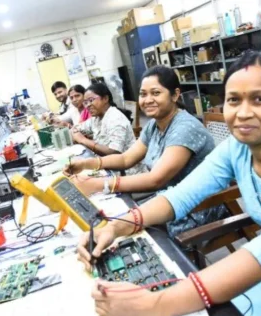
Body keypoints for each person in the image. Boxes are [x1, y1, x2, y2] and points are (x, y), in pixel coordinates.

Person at [76, 50, 261, 316]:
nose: (243, 112)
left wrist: (155, 304)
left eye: (259, 99)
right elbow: (181, 195)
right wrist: (116, 226)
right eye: (233, 100)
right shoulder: (237, 149)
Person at [64, 67, 222, 236]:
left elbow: (156, 180)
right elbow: (126, 159)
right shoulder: (155, 125)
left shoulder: (185, 128)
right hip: (167, 199)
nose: (147, 100)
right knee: (105, 223)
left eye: (155, 93)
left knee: (120, 235)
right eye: (143, 94)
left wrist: (98, 184)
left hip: (196, 208)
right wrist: (86, 164)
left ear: (175, 95)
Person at [71, 82, 146, 175]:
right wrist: (75, 132)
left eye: (91, 100)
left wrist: (83, 140)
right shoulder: (96, 118)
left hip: (128, 174)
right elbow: (76, 128)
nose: (87, 105)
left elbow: (114, 152)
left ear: (105, 98)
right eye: (85, 102)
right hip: (109, 169)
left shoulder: (115, 118)